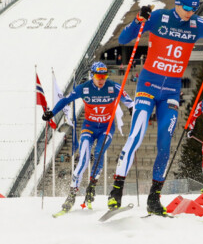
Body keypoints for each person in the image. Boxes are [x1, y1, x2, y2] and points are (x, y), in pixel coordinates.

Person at [108, 0, 203, 215]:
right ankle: (116, 190)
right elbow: (124, 37)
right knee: (137, 135)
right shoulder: (160, 17)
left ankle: (154, 198)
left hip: (170, 92)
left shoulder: (197, 24)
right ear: (177, 3)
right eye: (187, 6)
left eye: (195, 6)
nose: (191, 11)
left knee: (165, 144)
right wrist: (139, 20)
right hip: (147, 86)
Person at [42, 62, 134, 212]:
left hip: (106, 128)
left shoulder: (112, 87)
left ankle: (92, 186)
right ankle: (72, 194)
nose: (101, 79)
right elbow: (65, 100)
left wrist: (132, 109)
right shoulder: (84, 88)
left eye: (104, 76)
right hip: (89, 127)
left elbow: (129, 100)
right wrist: (52, 113)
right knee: (84, 158)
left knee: (98, 153)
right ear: (92, 75)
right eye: (98, 76)